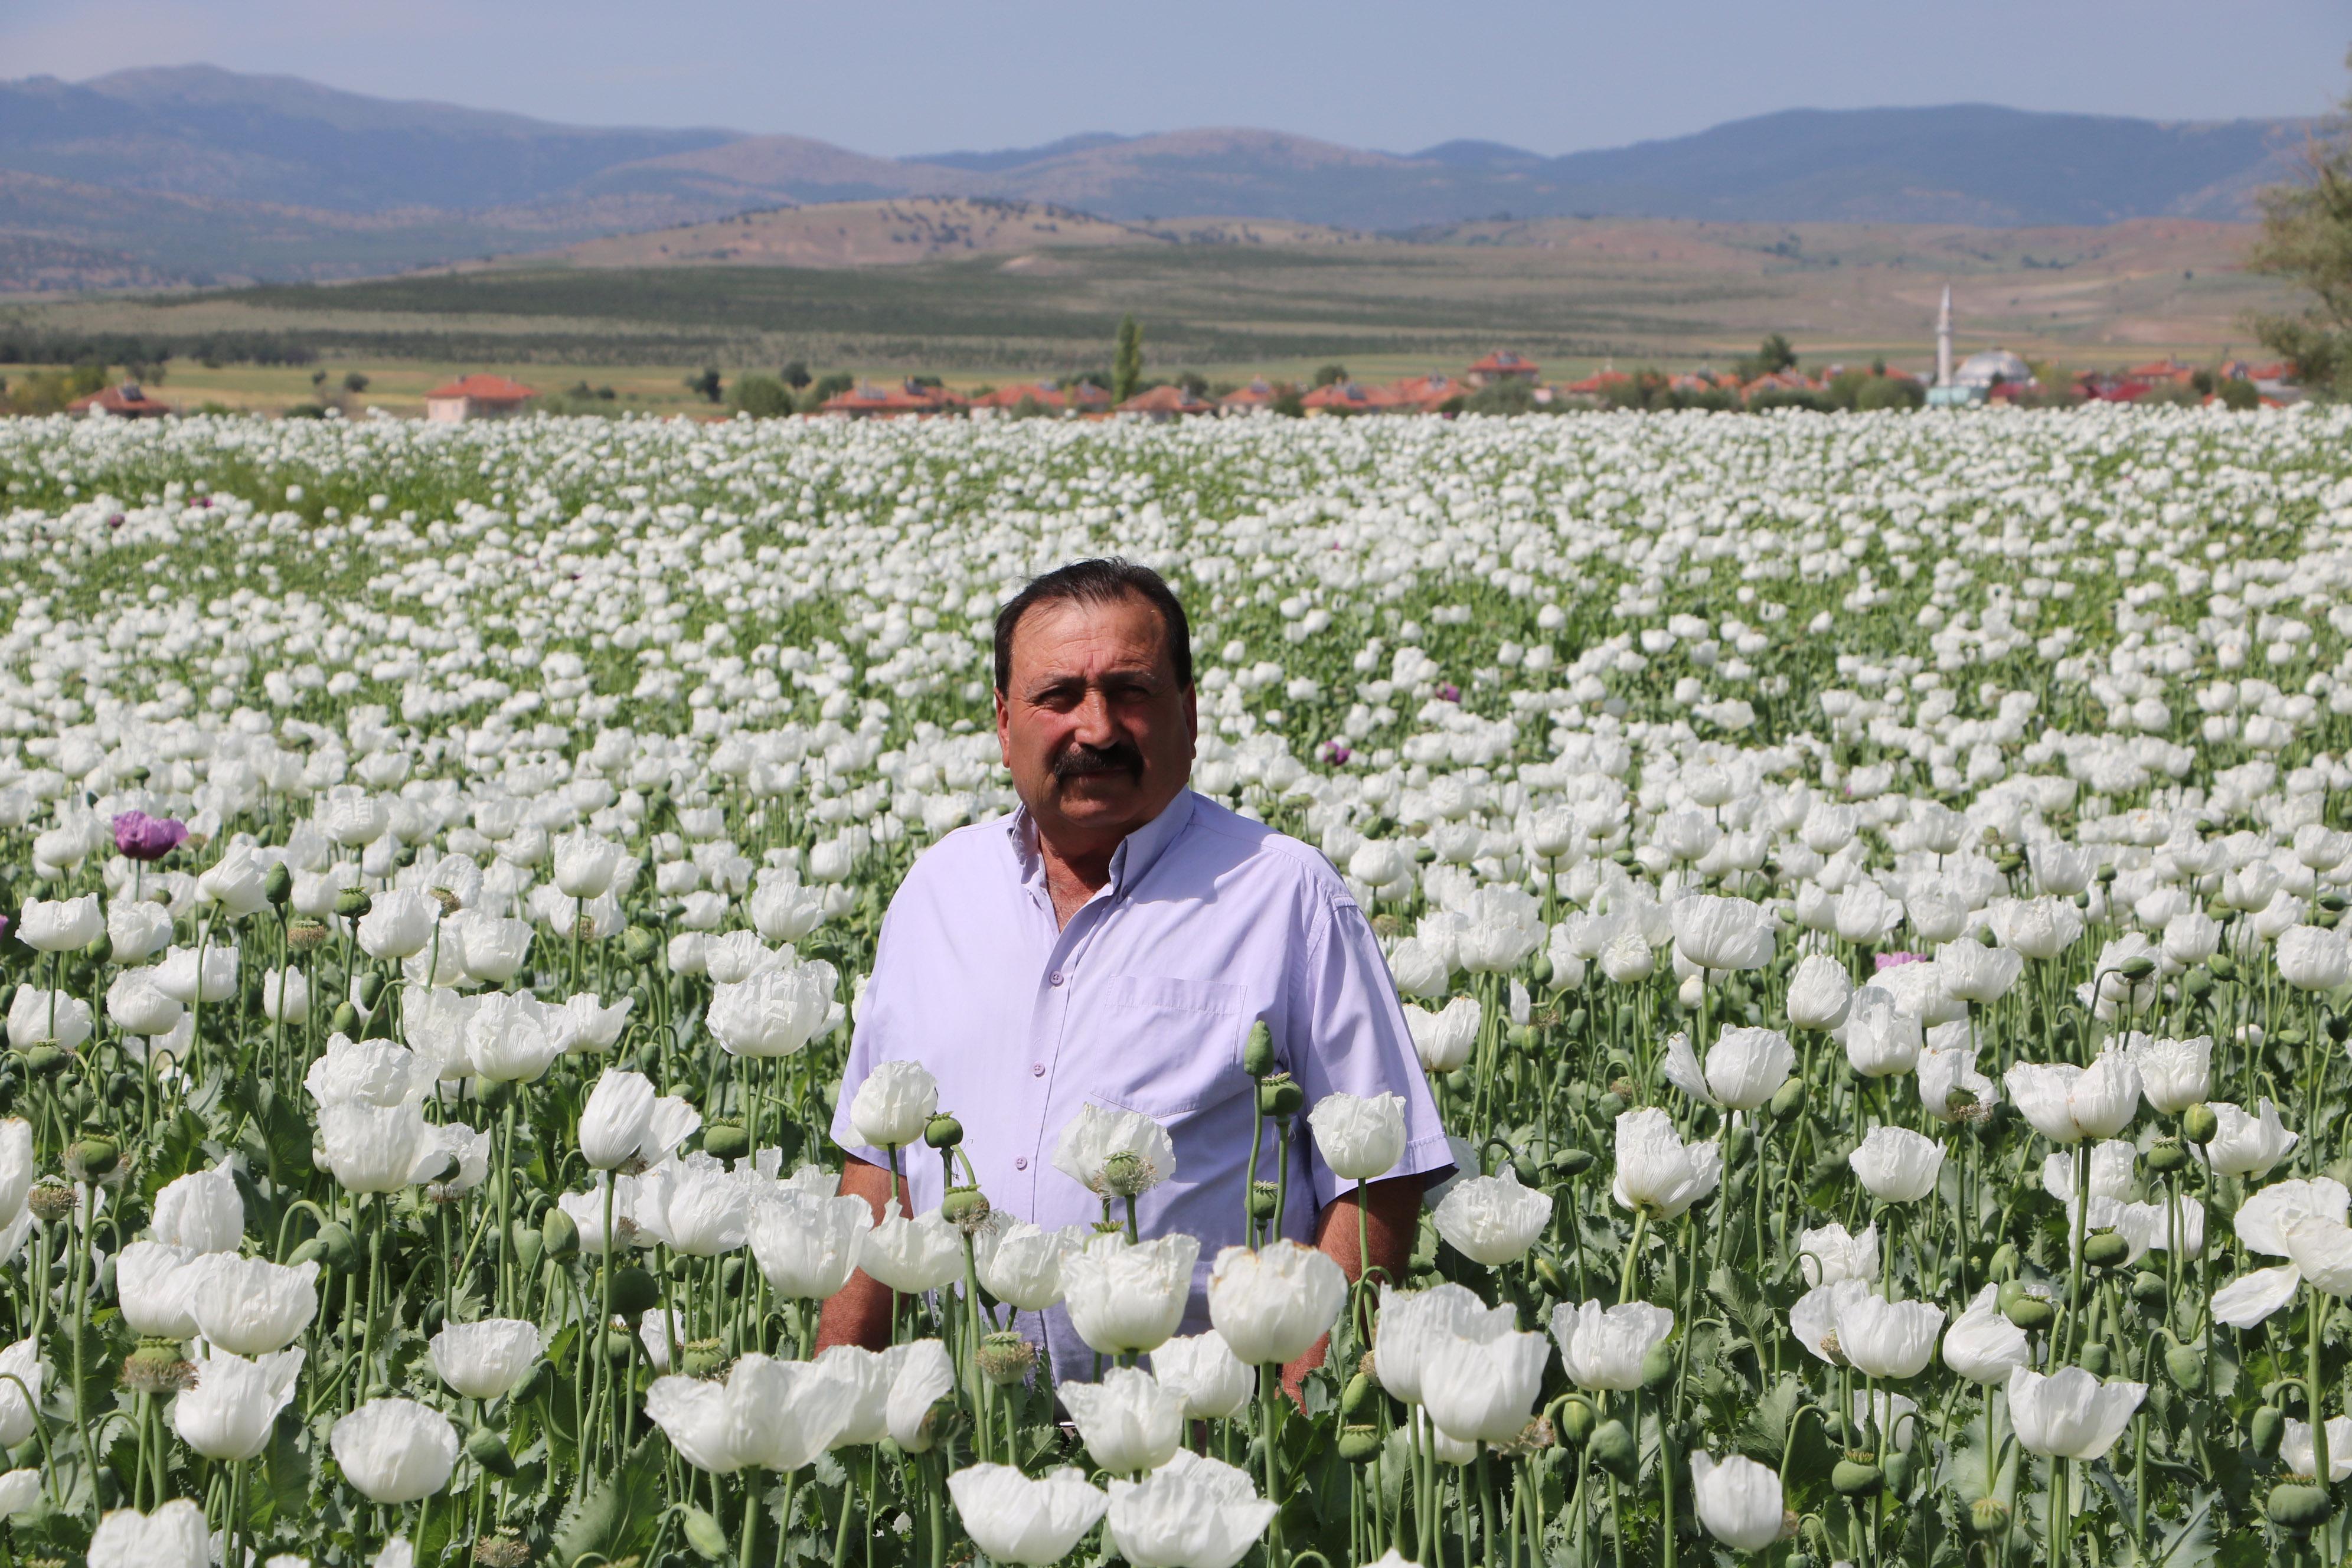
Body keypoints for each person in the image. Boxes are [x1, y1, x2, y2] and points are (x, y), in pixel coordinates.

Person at [818, 557, 1449, 1387]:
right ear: (1004, 723)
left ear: (1189, 713)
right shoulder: (937, 894)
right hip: (974, 1430)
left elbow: (1377, 1184)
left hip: (1209, 1429)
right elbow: (880, 1171)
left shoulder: (1285, 895)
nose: (1098, 729)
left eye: (1131, 692)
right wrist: (834, 1399)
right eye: (1058, 697)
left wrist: (1305, 1416)